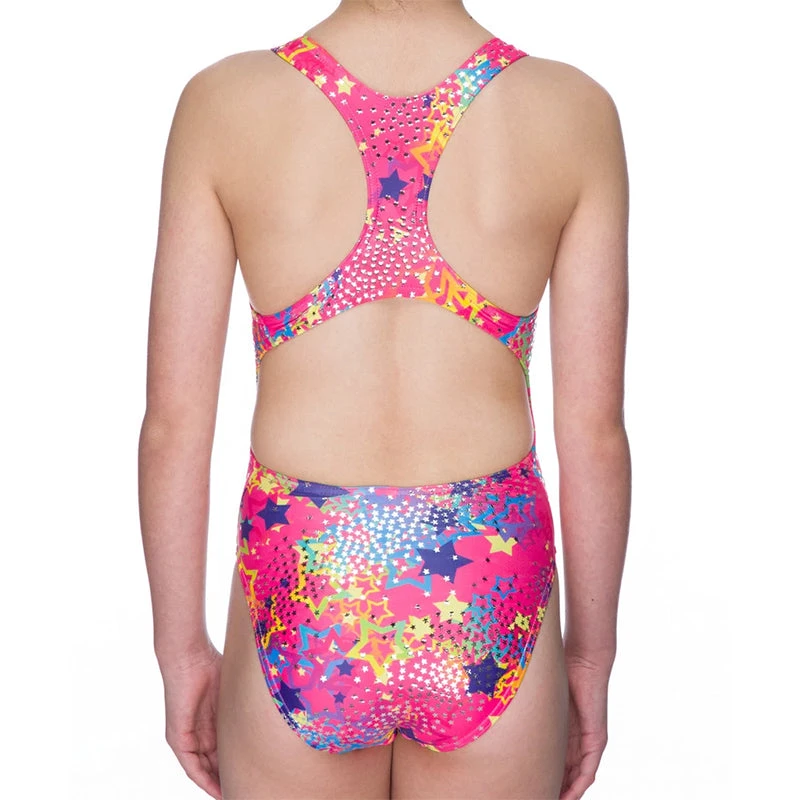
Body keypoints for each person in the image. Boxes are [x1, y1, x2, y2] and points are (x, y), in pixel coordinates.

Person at [138, 0, 631, 798]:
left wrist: (179, 649)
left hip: (306, 569)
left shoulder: (224, 103)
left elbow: (173, 427)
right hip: (488, 570)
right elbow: (595, 433)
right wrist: (591, 657)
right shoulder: (571, 110)